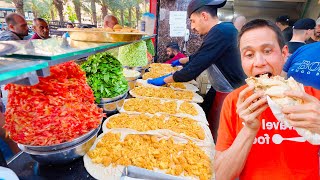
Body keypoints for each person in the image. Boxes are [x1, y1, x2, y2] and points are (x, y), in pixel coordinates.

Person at [214, 19, 320, 179]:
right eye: (249, 55)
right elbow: (222, 175)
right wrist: (248, 130)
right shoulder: (235, 102)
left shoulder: (313, 100)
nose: (259, 63)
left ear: (284, 54)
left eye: (268, 51)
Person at [147, 0, 246, 141]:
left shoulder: (221, 32)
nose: (192, 27)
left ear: (204, 16)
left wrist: (163, 80)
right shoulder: (223, 30)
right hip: (222, 90)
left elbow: (191, 71)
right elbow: (202, 55)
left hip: (232, 94)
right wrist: (181, 60)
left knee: (218, 136)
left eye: (193, 21)